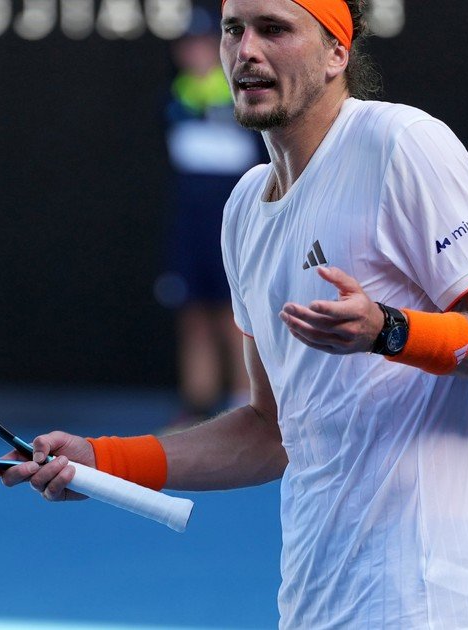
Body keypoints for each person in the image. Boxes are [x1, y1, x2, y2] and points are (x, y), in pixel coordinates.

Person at [0, 1, 468, 628]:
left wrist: (389, 331)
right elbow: (268, 430)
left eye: (275, 29)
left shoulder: (400, 143)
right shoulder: (244, 210)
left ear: (337, 52)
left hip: (419, 604)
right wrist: (104, 460)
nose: (246, 50)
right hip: (311, 603)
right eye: (234, 29)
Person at [155, 5, 263, 422]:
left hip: (234, 223)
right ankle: (197, 409)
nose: (195, 53)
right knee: (193, 314)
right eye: (188, 45)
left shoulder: (246, 92)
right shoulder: (173, 99)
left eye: (204, 44)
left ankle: (245, 406)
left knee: (235, 315)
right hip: (190, 225)